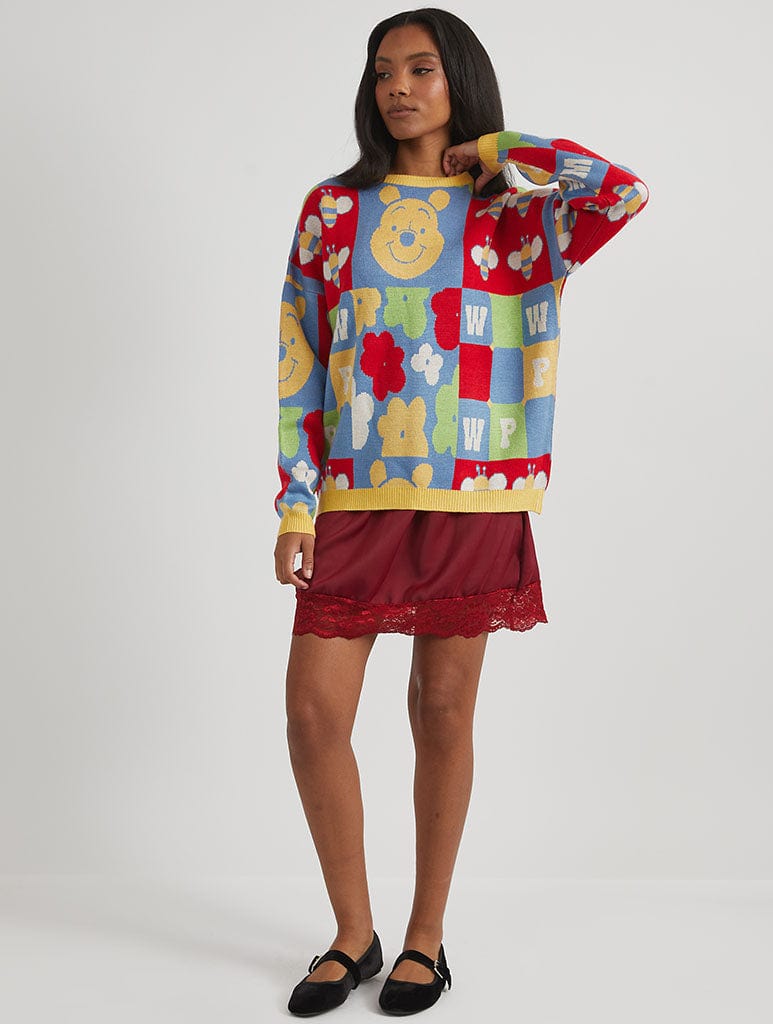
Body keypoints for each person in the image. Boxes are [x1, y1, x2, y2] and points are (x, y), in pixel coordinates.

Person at [273, 7, 649, 1016]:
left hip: (474, 490)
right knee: (312, 714)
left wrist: (498, 151)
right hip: (355, 495)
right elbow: (301, 356)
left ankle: (425, 939)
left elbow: (621, 189)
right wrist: (296, 503)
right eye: (382, 70)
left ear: (460, 81)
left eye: (421, 69)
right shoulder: (331, 210)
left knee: (440, 712)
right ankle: (352, 933)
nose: (397, 87)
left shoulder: (518, 211)